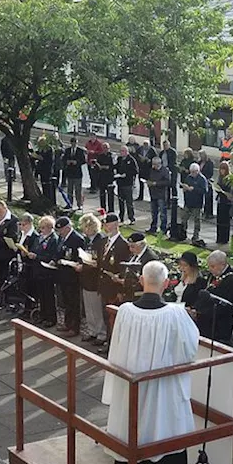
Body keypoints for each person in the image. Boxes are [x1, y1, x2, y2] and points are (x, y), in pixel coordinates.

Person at [102, 261, 199, 464]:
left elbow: (117, 349)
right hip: (162, 388)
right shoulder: (176, 314)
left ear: (142, 281)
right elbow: (189, 351)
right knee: (162, 428)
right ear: (166, 284)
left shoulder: (124, 311)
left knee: (133, 428)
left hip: (131, 384)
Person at [77, 213, 109, 345]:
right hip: (86, 278)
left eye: (85, 227)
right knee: (89, 307)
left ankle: (101, 333)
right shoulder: (86, 239)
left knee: (96, 308)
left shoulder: (101, 240)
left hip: (95, 279)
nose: (83, 230)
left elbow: (99, 260)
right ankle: (92, 331)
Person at [54, 216, 86, 337]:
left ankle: (74, 326)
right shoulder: (61, 238)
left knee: (73, 301)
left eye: (61, 230)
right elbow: (58, 252)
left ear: (67, 228)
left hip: (72, 275)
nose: (59, 233)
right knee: (66, 301)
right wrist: (55, 260)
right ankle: (67, 323)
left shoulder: (77, 239)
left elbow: (80, 257)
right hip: (62, 273)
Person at [198, 250, 233, 343]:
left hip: (220, 325)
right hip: (207, 322)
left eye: (212, 266)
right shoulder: (213, 275)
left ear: (222, 264)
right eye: (209, 266)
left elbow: (226, 304)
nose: (210, 269)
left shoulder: (231, 280)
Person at [180, 163, 208, 245]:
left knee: (197, 221)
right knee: (184, 219)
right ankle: (183, 234)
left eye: (193, 172)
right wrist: (185, 188)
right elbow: (186, 185)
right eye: (191, 172)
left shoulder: (202, 179)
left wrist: (194, 189)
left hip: (197, 204)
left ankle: (195, 236)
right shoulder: (188, 177)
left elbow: (204, 191)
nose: (192, 173)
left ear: (197, 171)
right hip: (188, 202)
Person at [146, 157, 170, 234]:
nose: (153, 166)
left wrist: (155, 183)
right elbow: (149, 178)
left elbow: (167, 182)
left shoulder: (165, 171)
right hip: (153, 194)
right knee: (154, 212)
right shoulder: (151, 170)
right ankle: (153, 227)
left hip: (161, 195)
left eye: (154, 164)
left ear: (159, 164)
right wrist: (149, 183)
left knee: (163, 213)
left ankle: (163, 229)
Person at [114, 145, 138, 223]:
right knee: (121, 202)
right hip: (120, 183)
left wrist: (126, 174)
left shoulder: (131, 160)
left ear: (127, 152)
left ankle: (131, 218)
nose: (121, 153)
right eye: (120, 151)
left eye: (123, 151)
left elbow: (135, 171)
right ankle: (121, 217)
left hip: (128, 183)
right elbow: (116, 167)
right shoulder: (119, 159)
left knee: (129, 202)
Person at [61, 138, 87, 210]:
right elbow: (63, 159)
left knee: (78, 190)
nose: (74, 144)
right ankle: (69, 204)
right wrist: (67, 162)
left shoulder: (80, 151)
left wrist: (77, 162)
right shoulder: (67, 150)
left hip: (77, 173)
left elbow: (84, 160)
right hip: (70, 173)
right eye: (72, 143)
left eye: (75, 143)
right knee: (69, 190)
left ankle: (79, 204)